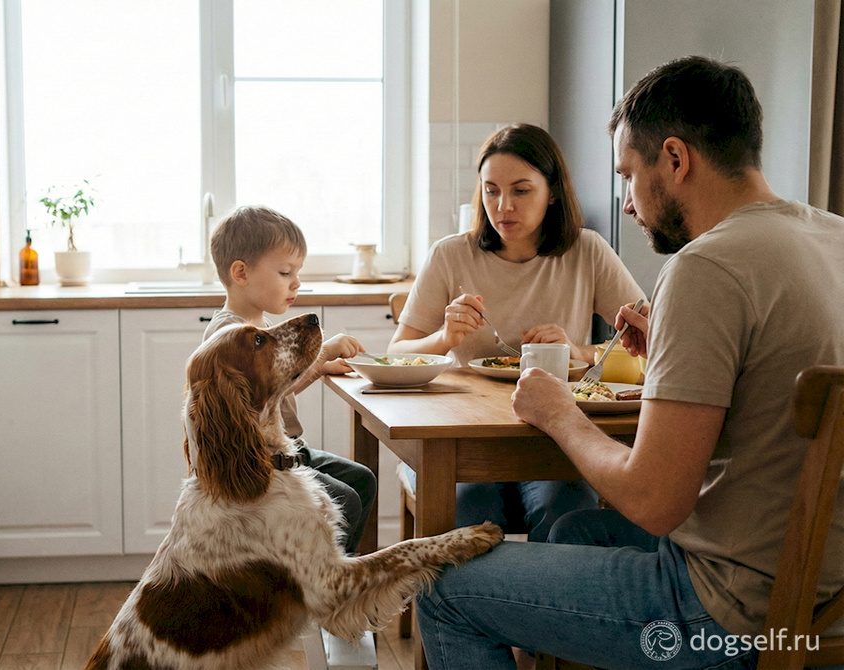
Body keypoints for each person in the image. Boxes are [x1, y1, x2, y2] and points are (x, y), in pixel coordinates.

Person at [415, 55, 844, 669]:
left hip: (727, 618)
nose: (626, 203)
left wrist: (560, 411)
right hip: (828, 600)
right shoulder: (834, 237)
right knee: (573, 531)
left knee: (440, 585)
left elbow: (653, 500)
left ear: (675, 159)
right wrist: (671, 339)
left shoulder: (706, 267)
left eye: (627, 176)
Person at [389, 123, 646, 542]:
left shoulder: (588, 251)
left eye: (521, 190)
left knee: (562, 510)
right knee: (468, 510)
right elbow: (397, 351)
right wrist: (443, 340)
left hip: (551, 439)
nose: (503, 206)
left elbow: (646, 344)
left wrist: (577, 350)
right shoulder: (451, 254)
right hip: (459, 440)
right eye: (491, 190)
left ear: (553, 191)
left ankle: (545, 606)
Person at [203, 204, 377, 555]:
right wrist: (322, 351)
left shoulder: (259, 325)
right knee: (345, 499)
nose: (296, 282)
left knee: (362, 479)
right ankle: (320, 580)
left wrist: (320, 366)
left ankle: (329, 570)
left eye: (296, 272)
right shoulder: (231, 336)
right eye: (285, 272)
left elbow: (276, 387)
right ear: (241, 273)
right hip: (263, 461)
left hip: (292, 448)